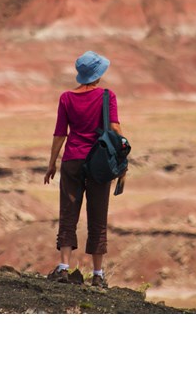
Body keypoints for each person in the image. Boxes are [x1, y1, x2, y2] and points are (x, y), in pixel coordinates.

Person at [44, 50, 126, 288]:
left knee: (68, 213)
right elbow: (115, 127)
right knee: (98, 217)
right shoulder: (107, 96)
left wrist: (52, 163)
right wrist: (123, 155)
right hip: (99, 163)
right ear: (98, 74)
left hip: (71, 161)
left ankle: (63, 268)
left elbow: (60, 133)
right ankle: (98, 274)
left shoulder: (66, 98)